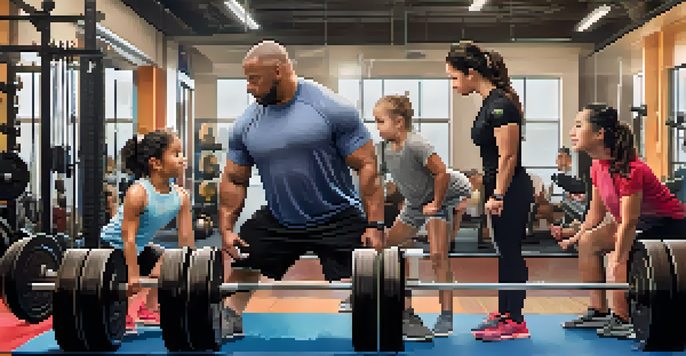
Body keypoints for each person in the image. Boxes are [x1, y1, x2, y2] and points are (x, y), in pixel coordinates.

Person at [218, 40, 385, 339]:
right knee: (246, 254)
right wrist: (227, 227)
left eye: (254, 79)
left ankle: (400, 312)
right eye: (247, 79)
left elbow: (367, 165)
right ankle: (230, 313)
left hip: (337, 213)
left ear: (278, 71)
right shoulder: (246, 123)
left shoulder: (331, 107)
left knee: (377, 264)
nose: (248, 87)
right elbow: (234, 178)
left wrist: (374, 223)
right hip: (282, 216)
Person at [557, 104, 686, 344]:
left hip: (670, 224)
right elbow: (595, 215)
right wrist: (575, 237)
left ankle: (623, 318)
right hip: (641, 223)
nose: (572, 132)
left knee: (617, 256)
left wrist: (617, 258)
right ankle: (598, 311)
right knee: (589, 242)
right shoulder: (596, 166)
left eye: (578, 125)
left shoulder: (629, 169)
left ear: (599, 133)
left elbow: (628, 222)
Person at [446, 42, 533, 341]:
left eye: (454, 78)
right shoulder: (490, 102)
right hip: (499, 187)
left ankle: (516, 321)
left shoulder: (500, 105)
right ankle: (504, 312)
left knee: (510, 251)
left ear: (471, 73)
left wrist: (497, 194)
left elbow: (508, 156)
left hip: (510, 188)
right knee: (503, 251)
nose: (453, 84)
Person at [373, 95, 472, 341]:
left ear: (398, 122)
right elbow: (378, 179)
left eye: (380, 121)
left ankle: (446, 315)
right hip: (416, 203)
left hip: (447, 194)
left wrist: (437, 203)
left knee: (438, 255)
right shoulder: (384, 149)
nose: (377, 127)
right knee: (389, 248)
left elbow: (441, 173)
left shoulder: (417, 144)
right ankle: (406, 310)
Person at [100, 129, 194, 335]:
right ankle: (119, 313)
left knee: (169, 262)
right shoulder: (138, 192)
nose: (183, 159)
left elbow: (186, 240)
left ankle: (149, 309)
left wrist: (189, 271)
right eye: (176, 153)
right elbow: (128, 238)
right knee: (124, 279)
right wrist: (133, 275)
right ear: (156, 163)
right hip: (110, 247)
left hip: (139, 247)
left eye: (182, 153)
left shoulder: (181, 196)